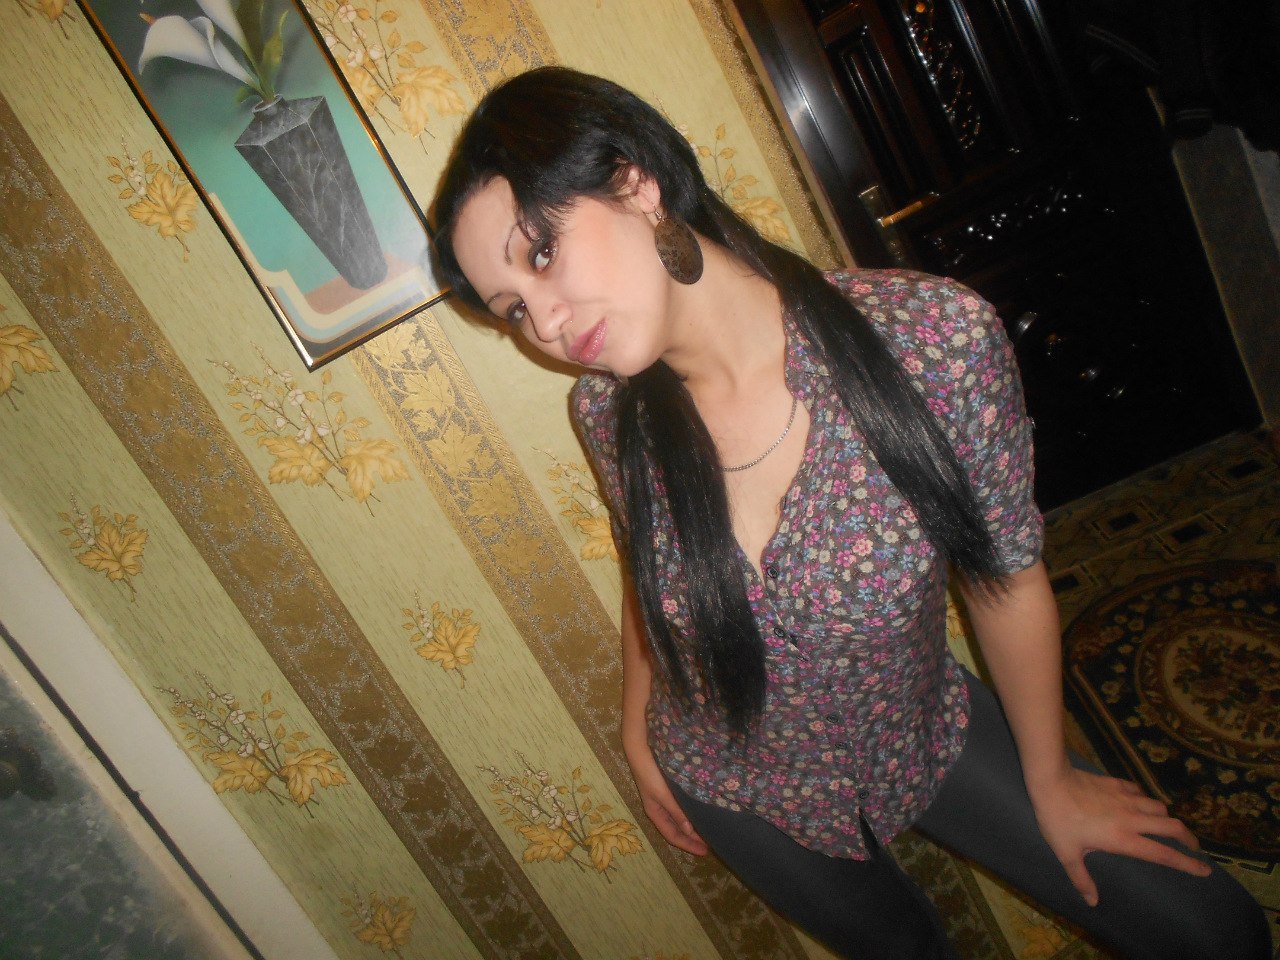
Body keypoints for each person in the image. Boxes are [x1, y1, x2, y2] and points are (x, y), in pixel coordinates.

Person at [432, 66, 1271, 960]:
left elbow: (1006, 581)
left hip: (916, 725)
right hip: (731, 777)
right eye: (512, 309)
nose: (546, 324)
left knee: (1216, 933)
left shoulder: (928, 343)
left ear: (634, 183)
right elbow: (647, 570)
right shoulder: (608, 414)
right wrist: (639, 729)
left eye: (542, 254)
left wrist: (1052, 777)